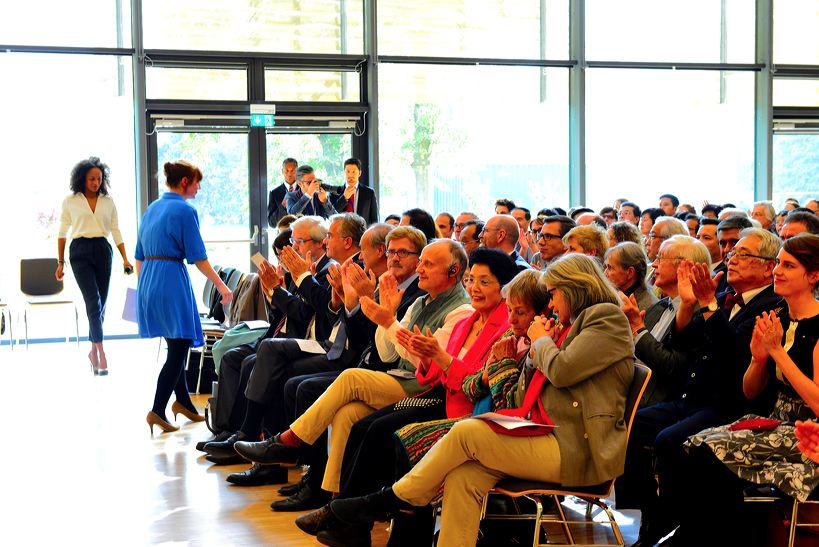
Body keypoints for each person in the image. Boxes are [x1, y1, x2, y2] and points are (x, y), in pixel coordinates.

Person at [324, 253, 635, 547]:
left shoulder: (606, 318)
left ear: (574, 289)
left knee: (467, 431)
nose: (551, 304)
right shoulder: (564, 326)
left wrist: (540, 341)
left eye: (554, 294)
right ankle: (392, 501)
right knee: (464, 475)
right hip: (543, 430)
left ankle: (388, 499)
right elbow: (513, 387)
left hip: (576, 448)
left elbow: (562, 371)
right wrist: (523, 355)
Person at [295, 249, 520, 545]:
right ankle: (349, 519)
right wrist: (426, 354)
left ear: (504, 289)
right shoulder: (468, 321)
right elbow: (429, 371)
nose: (474, 288)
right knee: (363, 424)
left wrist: (419, 344)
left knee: (391, 435)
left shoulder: (501, 325)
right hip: (440, 392)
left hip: (466, 408)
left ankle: (357, 518)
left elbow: (475, 383)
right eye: (472, 280)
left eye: (484, 282)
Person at [672, 234, 819, 546]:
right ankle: (699, 536)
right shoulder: (777, 316)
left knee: (710, 457)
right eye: (778, 262)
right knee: (693, 446)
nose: (777, 270)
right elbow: (751, 390)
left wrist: (777, 353)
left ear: (814, 276)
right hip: (776, 422)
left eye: (788, 266)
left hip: (808, 434)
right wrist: (758, 359)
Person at [136, 160, 232, 435]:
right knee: (179, 349)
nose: (199, 187)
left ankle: (184, 403)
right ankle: (157, 410)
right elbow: (198, 258)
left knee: (175, 345)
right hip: (170, 279)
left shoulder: (152, 208)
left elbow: (139, 255)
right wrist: (222, 286)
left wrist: (144, 287)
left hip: (150, 280)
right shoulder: (185, 211)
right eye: (196, 182)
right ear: (184, 182)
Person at [57, 156, 133, 376]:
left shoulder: (108, 202)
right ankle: (100, 351)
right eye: (91, 179)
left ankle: (92, 349)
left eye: (99, 179)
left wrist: (125, 258)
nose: (95, 183)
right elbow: (62, 232)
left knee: (101, 303)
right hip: (79, 251)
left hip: (102, 250)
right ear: (82, 179)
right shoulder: (71, 201)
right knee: (93, 300)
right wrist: (60, 262)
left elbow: (116, 231)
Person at [604, 242, 657, 311]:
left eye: (610, 268)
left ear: (630, 272)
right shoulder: (615, 295)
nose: (605, 273)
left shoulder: (648, 307)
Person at [331, 158, 378, 226]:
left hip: (362, 233)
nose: (350, 175)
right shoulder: (334, 192)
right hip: (342, 233)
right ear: (344, 173)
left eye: (354, 172)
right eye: (348, 171)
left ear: (359, 173)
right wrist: (344, 198)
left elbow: (374, 219)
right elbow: (331, 215)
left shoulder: (369, 193)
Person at [267, 157, 298, 228]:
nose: (289, 174)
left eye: (292, 171)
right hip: (282, 236)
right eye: (287, 170)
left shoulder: (304, 190)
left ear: (297, 171)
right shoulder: (274, 193)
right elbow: (272, 223)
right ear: (282, 171)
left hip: (302, 235)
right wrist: (282, 206)